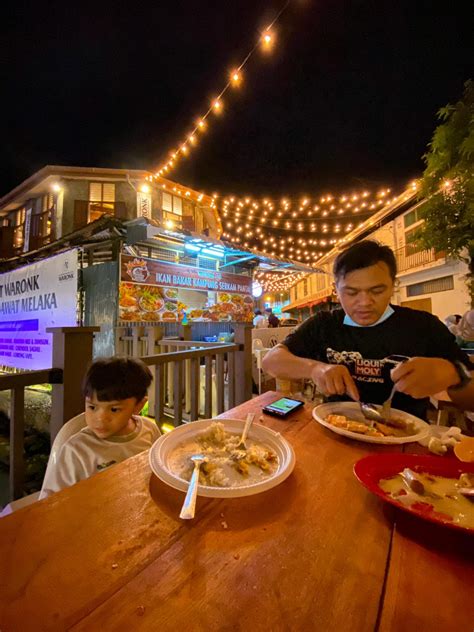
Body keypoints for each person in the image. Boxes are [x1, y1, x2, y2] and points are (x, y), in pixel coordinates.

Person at [262, 240, 474, 418]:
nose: (364, 302)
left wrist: (453, 375)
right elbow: (271, 361)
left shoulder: (423, 326)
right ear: (336, 290)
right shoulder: (325, 324)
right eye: (352, 293)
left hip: (404, 439)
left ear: (393, 285)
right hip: (336, 431)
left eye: (377, 290)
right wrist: (315, 369)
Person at [41, 356, 160, 497]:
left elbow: (160, 471)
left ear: (138, 406)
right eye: (92, 407)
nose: (100, 418)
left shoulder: (149, 430)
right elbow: (50, 501)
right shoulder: (76, 450)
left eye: (114, 409)